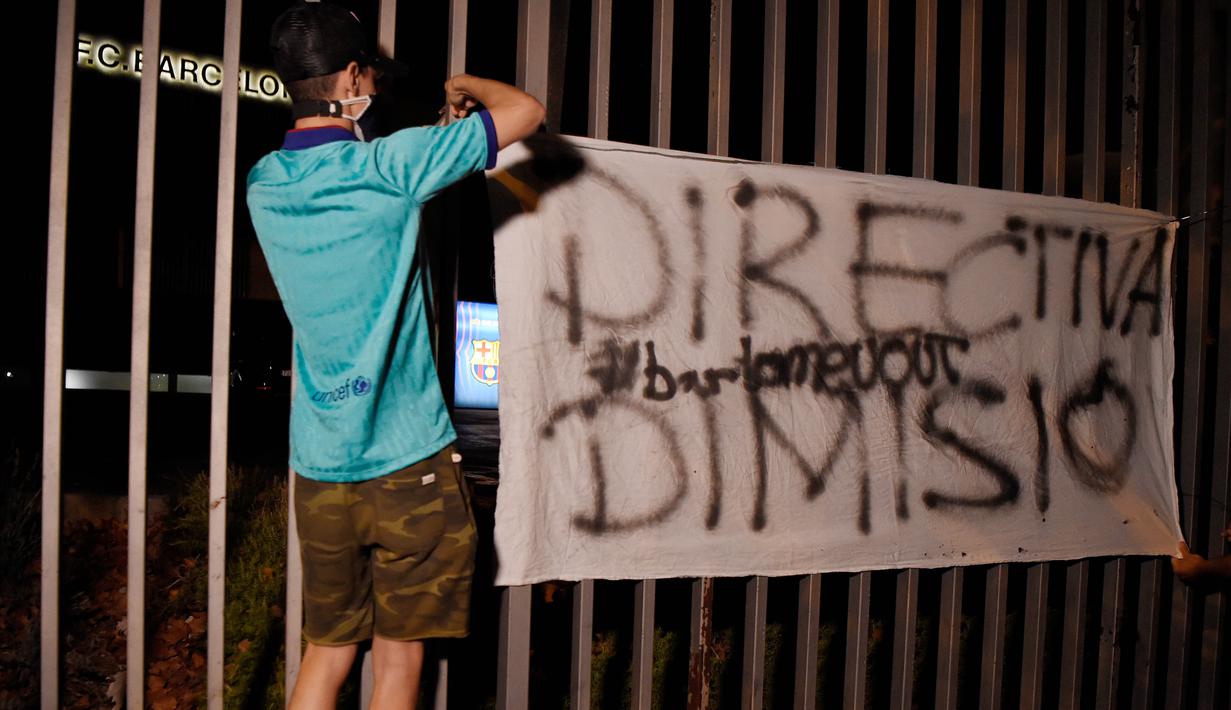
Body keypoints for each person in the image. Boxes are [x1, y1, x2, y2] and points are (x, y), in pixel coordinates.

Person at [245, 3, 544, 708]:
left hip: (320, 466)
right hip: (406, 462)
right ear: (351, 75)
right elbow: (525, 111)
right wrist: (462, 84)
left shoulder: (264, 185)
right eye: (369, 74)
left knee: (326, 654)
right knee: (400, 663)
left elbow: (342, 179)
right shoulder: (394, 166)